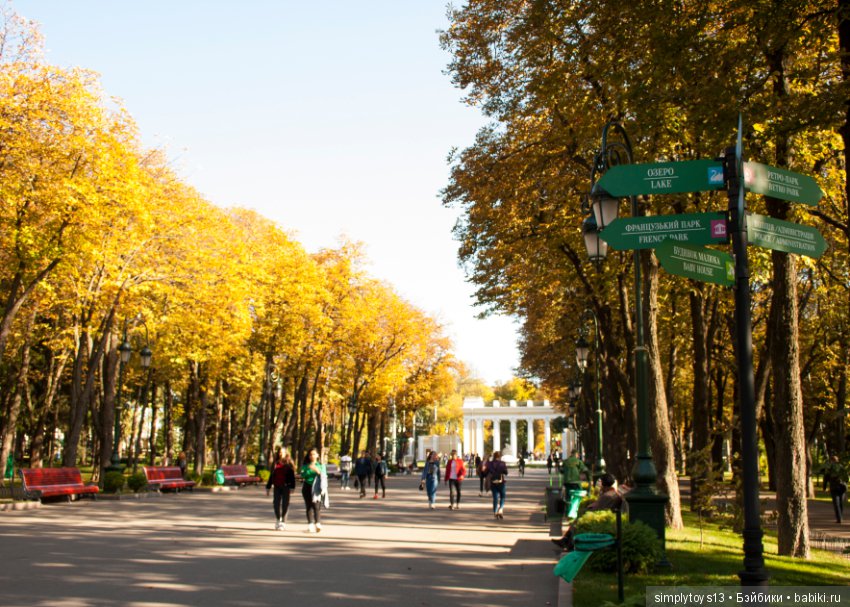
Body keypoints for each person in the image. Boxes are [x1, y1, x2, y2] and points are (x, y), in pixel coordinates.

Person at [551, 473, 626, 550]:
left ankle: (567, 541)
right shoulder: (610, 494)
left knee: (580, 517)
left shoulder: (607, 496)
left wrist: (589, 508)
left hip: (600, 516)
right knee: (579, 516)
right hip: (602, 513)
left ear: (604, 484)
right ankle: (566, 540)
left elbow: (599, 509)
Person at [265, 446, 296, 530]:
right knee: (276, 504)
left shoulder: (289, 463)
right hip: (277, 486)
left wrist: (292, 487)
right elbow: (271, 475)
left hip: (286, 486)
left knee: (285, 504)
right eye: (279, 452)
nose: (281, 453)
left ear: (286, 453)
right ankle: (278, 519)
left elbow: (292, 476)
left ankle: (283, 522)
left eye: (283, 452)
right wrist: (268, 487)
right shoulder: (275, 463)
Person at [299, 448, 326, 533]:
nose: (312, 456)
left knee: (316, 506)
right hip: (307, 486)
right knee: (309, 506)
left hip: (317, 487)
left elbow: (324, 475)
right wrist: (308, 470)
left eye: (314, 454)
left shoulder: (321, 465)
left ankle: (318, 523)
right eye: (310, 454)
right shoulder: (306, 465)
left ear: (317, 455)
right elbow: (303, 475)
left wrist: (317, 470)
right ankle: (310, 524)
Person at [822, 455, 848, 524]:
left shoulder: (830, 468)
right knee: (840, 503)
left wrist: (824, 487)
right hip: (842, 487)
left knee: (837, 503)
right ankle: (840, 517)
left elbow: (825, 478)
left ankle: (839, 518)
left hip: (834, 487)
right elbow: (846, 478)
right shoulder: (841, 467)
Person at [486, 451, 508, 519]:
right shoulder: (502, 463)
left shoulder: (490, 463)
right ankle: (501, 509)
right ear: (500, 456)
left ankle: (495, 512)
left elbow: (486, 472)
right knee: (502, 496)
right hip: (501, 482)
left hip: (493, 482)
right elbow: (506, 472)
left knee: (495, 498)